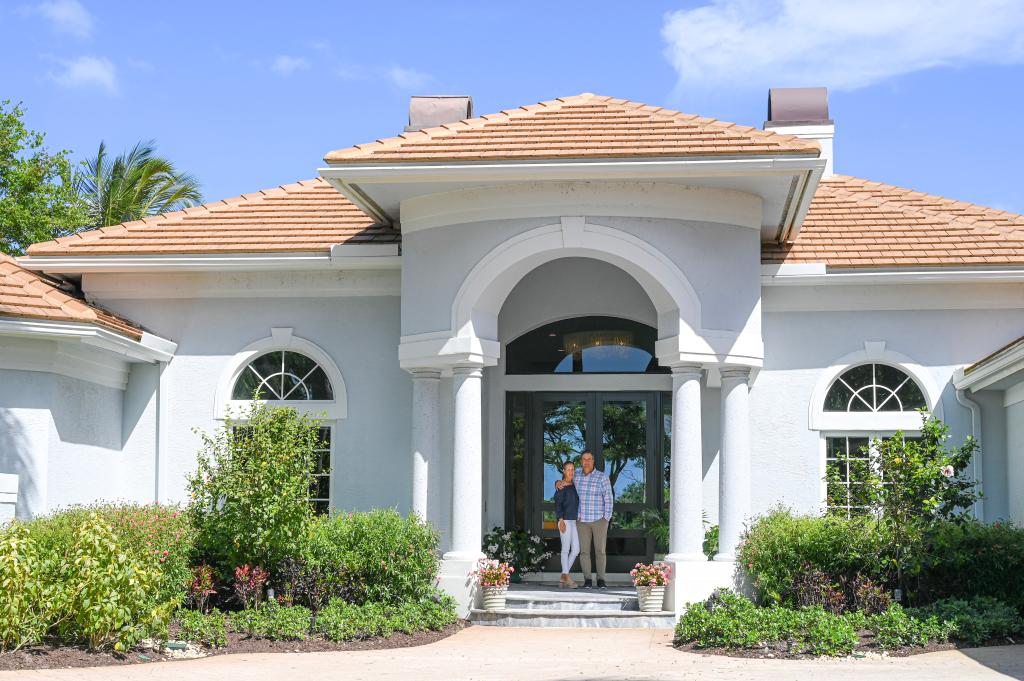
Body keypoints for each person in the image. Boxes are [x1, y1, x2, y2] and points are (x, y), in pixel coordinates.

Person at [555, 451, 613, 588]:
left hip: (599, 519)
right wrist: (557, 482)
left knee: (600, 551)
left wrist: (606, 518)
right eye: (584, 459)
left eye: (589, 459)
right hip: (581, 521)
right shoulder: (577, 475)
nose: (586, 462)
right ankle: (587, 579)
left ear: (593, 461)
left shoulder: (602, 477)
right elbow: (565, 481)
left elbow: (609, 498)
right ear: (581, 461)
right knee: (584, 552)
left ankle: (601, 579)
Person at [553, 461, 580, 589]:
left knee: (576, 550)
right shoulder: (561, 486)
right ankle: (567, 578)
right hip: (564, 521)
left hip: (574, 521)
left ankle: (564, 575)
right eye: (568, 469)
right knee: (565, 549)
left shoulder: (575, 485)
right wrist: (560, 520)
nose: (570, 472)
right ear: (563, 471)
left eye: (572, 469)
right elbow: (557, 504)